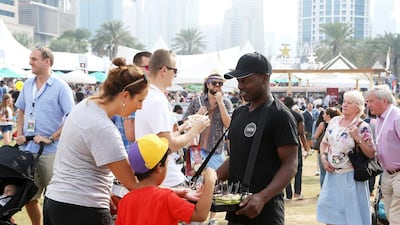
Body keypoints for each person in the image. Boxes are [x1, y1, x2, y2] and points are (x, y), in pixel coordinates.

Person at [43, 58, 148, 225]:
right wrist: (174, 193)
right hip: (82, 209)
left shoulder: (86, 106)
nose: (140, 107)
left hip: (55, 202)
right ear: (125, 95)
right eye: (140, 100)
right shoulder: (103, 128)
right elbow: (132, 184)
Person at [217, 52, 299, 224]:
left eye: (245, 80)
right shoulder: (239, 113)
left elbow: (291, 165)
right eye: (238, 81)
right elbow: (236, 158)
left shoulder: (280, 115)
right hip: (237, 211)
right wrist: (209, 181)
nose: (240, 86)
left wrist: (262, 197)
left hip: (266, 213)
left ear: (264, 78)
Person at [14, 46, 75, 225]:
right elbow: (21, 111)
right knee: (29, 196)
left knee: (56, 196)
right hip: (28, 149)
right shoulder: (27, 84)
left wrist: (52, 137)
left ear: (46, 62)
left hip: (51, 151)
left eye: (34, 59)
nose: (30, 62)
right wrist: (21, 132)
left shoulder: (60, 86)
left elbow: (72, 116)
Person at [135, 49, 210, 188]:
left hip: (157, 176)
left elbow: (158, 138)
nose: (176, 74)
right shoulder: (157, 100)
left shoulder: (149, 96)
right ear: (164, 70)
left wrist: (184, 126)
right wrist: (195, 130)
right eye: (175, 70)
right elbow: (168, 145)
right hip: (167, 179)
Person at [115, 134, 217, 225]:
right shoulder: (166, 198)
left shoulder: (125, 201)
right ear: (159, 167)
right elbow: (200, 215)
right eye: (167, 164)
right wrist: (210, 181)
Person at [317, 90, 375, 225]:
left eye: (350, 103)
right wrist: (324, 159)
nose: (345, 105)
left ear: (358, 107)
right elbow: (324, 143)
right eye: (344, 101)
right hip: (332, 176)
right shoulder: (334, 121)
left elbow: (371, 153)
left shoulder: (363, 126)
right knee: (330, 215)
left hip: (351, 178)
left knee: (351, 218)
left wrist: (358, 139)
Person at [183, 73, 233, 224]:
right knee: (195, 184)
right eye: (214, 83)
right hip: (196, 149)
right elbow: (185, 123)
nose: (217, 86)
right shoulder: (197, 101)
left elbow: (229, 124)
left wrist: (221, 103)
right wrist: (197, 115)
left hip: (216, 150)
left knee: (214, 185)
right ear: (207, 84)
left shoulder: (227, 103)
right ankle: (194, 216)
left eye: (220, 84)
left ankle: (212, 218)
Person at [365, 85, 400, 225]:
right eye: (367, 101)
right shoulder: (379, 119)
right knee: (390, 215)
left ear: (384, 100)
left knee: (396, 216)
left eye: (371, 101)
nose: (368, 105)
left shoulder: (397, 117)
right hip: (386, 174)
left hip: (398, 174)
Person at [112, 51, 153, 150]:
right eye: (148, 67)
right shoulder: (133, 91)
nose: (152, 71)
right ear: (137, 69)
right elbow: (131, 135)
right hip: (131, 155)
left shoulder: (129, 89)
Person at [283, 96, 310, 201]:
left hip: (282, 144)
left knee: (284, 169)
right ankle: (297, 193)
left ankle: (288, 194)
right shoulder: (298, 115)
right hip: (295, 144)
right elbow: (301, 133)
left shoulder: (280, 115)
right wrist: (306, 147)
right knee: (298, 169)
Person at [312, 107, 341, 187]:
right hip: (335, 151)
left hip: (323, 151)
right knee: (335, 171)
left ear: (328, 115)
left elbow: (315, 136)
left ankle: (324, 191)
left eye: (324, 113)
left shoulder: (323, 124)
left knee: (323, 173)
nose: (323, 115)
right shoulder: (339, 124)